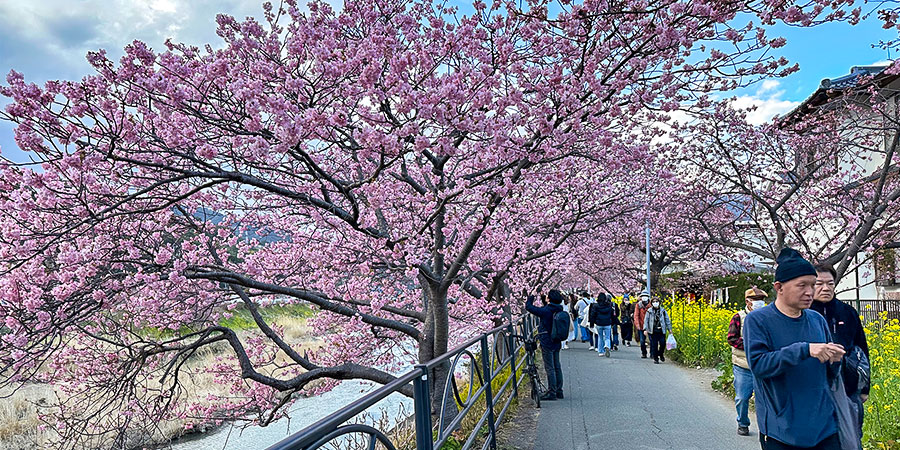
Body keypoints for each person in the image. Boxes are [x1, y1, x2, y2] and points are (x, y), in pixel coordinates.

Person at [744, 248, 845, 450]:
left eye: (812, 285)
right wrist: (804, 350)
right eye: (802, 285)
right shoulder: (758, 320)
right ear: (779, 287)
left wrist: (835, 361)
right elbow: (759, 365)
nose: (810, 292)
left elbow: (829, 374)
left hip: (824, 426)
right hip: (782, 429)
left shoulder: (817, 319)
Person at [810, 263, 869, 436]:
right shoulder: (804, 313)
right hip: (815, 386)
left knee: (851, 434)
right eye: (819, 284)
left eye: (830, 284)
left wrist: (865, 388)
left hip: (848, 385)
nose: (826, 288)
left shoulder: (847, 312)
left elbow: (862, 349)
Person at [727, 286, 768, 436]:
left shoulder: (767, 316)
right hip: (743, 365)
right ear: (747, 301)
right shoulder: (739, 316)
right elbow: (731, 338)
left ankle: (767, 427)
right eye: (756, 300)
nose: (759, 303)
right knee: (743, 398)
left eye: (761, 300)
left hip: (763, 364)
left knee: (766, 399)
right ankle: (742, 423)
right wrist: (751, 345)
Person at [525, 289, 565, 400]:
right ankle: (559, 391)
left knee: (550, 367)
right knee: (557, 366)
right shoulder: (559, 310)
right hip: (557, 341)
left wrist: (532, 296)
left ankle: (552, 392)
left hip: (547, 341)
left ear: (549, 299)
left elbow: (528, 307)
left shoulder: (546, 311)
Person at [643, 297, 672, 364]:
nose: (655, 303)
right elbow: (646, 320)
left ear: (659, 302)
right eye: (654, 302)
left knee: (662, 344)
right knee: (654, 345)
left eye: (657, 301)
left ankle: (661, 354)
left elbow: (667, 320)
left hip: (661, 330)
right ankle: (656, 358)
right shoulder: (649, 311)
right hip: (653, 331)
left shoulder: (663, 311)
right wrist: (645, 329)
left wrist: (669, 329)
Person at [589, 293, 615, 357]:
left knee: (600, 337)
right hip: (607, 323)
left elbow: (592, 315)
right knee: (607, 337)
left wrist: (591, 323)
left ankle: (601, 351)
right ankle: (607, 346)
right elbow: (612, 315)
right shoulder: (609, 306)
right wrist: (613, 323)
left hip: (599, 323)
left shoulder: (595, 306)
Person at [633, 293, 651, 358]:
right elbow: (636, 315)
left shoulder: (651, 305)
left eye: (646, 296)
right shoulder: (638, 305)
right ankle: (644, 353)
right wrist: (637, 324)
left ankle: (652, 353)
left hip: (650, 326)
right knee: (642, 341)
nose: (644, 297)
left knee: (651, 340)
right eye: (643, 296)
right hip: (641, 325)